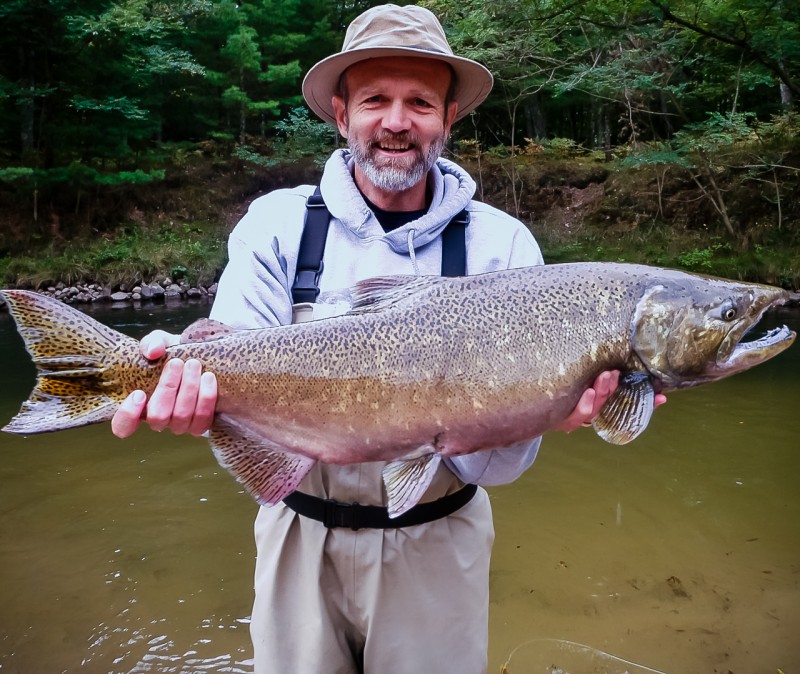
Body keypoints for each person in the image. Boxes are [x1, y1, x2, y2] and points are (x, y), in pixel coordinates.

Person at [111, 5, 664, 673]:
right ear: (342, 115)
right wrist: (183, 386)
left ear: (448, 118)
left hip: (440, 541)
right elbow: (230, 363)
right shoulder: (277, 227)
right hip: (296, 536)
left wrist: (536, 413)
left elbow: (502, 471)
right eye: (376, 99)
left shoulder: (503, 247)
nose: (397, 121)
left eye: (420, 103)